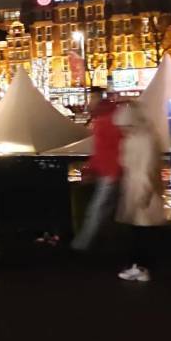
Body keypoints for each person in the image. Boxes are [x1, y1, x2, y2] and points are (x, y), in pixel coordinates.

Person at [115, 102, 165, 282]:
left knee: (140, 232)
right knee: (140, 231)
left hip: (141, 191)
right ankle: (140, 266)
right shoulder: (142, 137)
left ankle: (140, 266)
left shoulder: (143, 139)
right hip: (137, 189)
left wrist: (143, 194)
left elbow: (146, 170)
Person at [71, 87, 123, 252]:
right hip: (111, 171)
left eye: (92, 98)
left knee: (96, 210)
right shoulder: (108, 117)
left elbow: (104, 149)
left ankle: (81, 246)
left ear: (98, 98)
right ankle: (109, 244)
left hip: (109, 172)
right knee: (106, 210)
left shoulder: (104, 120)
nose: (90, 102)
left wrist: (90, 168)